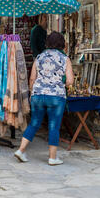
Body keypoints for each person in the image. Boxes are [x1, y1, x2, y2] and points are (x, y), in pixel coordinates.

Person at [14, 31, 74, 166]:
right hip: (56, 97)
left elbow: (32, 78)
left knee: (34, 123)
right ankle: (52, 158)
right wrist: (58, 84)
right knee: (54, 126)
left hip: (38, 95)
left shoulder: (39, 57)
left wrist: (32, 92)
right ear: (61, 43)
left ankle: (21, 150)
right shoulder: (65, 59)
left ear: (47, 42)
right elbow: (70, 81)